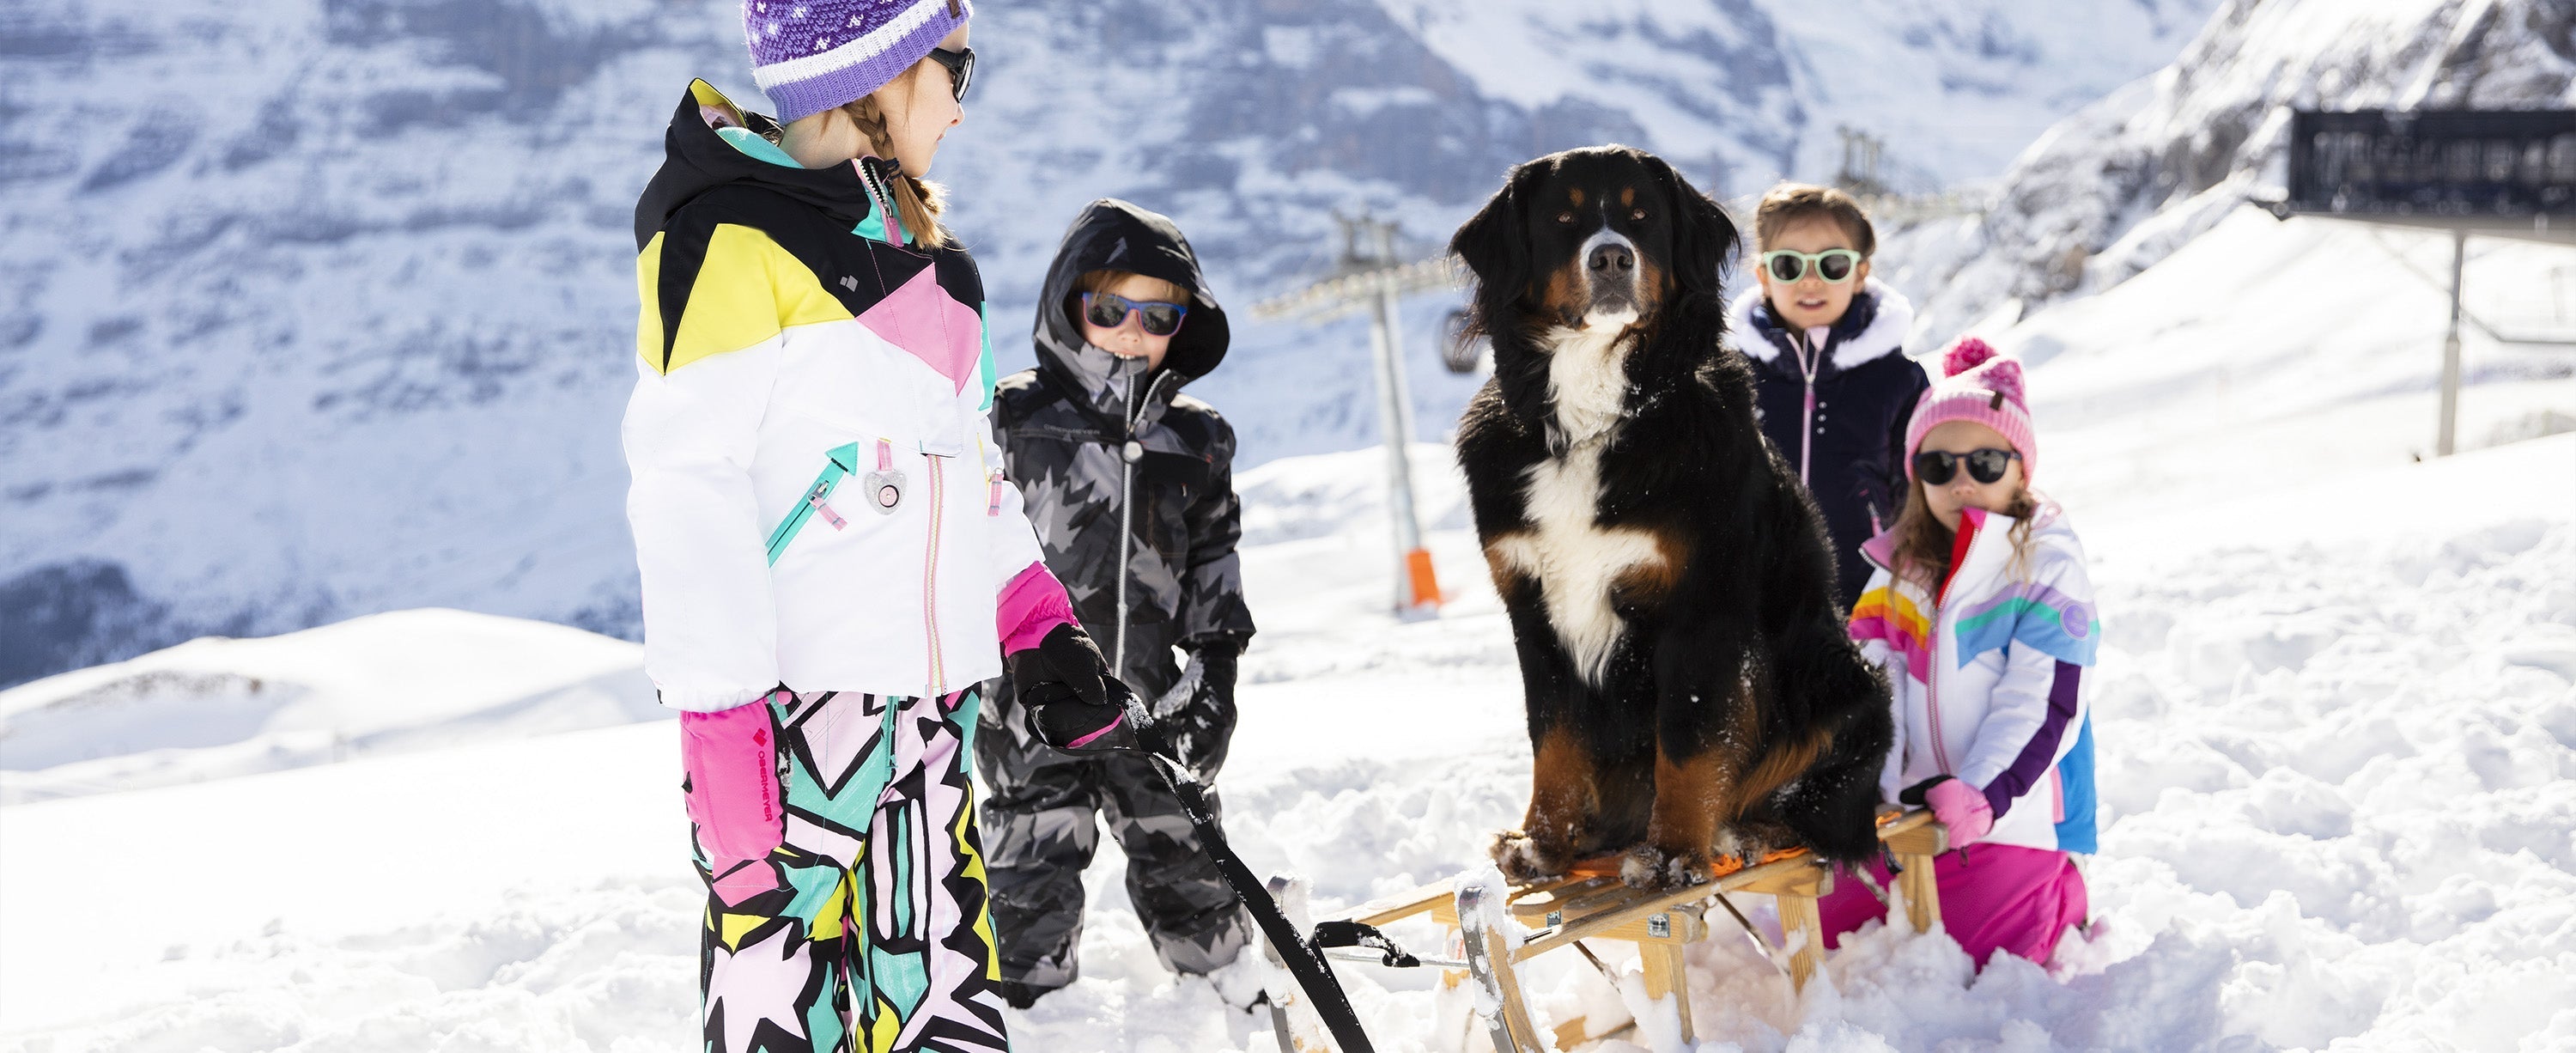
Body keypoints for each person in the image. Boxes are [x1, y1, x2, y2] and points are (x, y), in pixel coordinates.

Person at [623, 3, 1132, 1048]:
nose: (961, 104)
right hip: (790, 727)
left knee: (943, 1002)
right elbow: (686, 487)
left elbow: (974, 478)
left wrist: (1037, 625)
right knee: (784, 1009)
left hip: (932, 718)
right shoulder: (729, 241)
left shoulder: (942, 272)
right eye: (956, 69)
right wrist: (719, 721)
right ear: (879, 69)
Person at [976, 199, 1260, 1009]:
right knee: (1026, 900)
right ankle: (1030, 1015)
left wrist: (1216, 672)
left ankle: (1231, 1000)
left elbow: (1214, 558)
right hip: (1033, 706)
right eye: (1111, 310)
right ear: (1068, 306)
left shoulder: (1197, 440)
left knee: (1195, 876)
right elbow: (966, 546)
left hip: (1152, 708)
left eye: (1159, 316)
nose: (1133, 332)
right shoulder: (1012, 420)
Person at [1824, 337, 2102, 970]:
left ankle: (2062, 894)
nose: (1962, 481)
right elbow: (1865, 688)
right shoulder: (1898, 572)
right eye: (1938, 466)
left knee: (1974, 956)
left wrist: (1981, 794)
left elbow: (2044, 702)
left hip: (2012, 812)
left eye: (1986, 462)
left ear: (2021, 469)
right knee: (1835, 931)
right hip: (1911, 815)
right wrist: (1864, 790)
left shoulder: (2046, 566)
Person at [1730, 183, 1929, 608]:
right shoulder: (1731, 377)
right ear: (1763, 276)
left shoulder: (1898, 380)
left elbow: (1919, 496)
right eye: (1789, 264)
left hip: (1868, 599)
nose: (1810, 280)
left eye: (1832, 264)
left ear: (1860, 274)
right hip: (1752, 601)